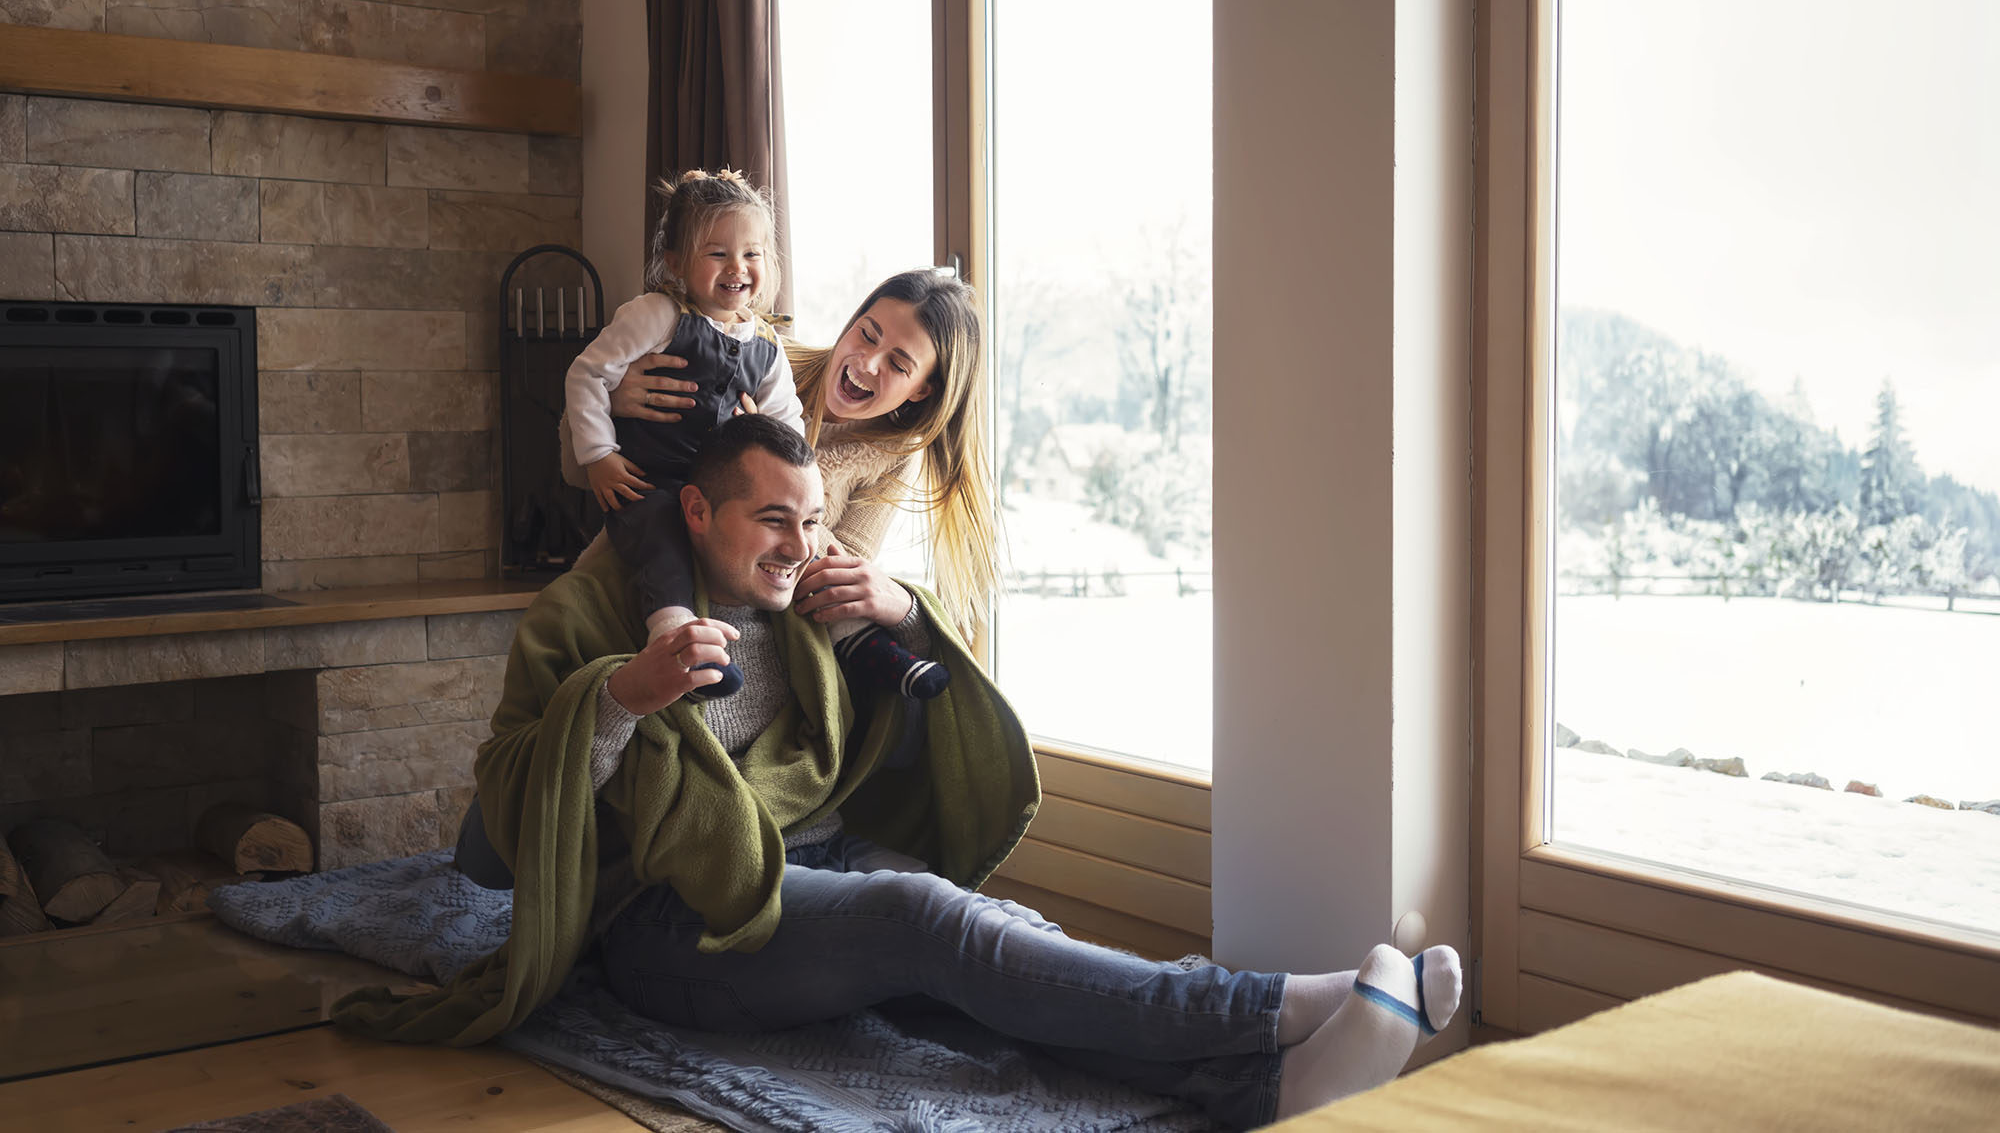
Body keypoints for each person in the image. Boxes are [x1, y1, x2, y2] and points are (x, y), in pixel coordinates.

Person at [360, 416, 1462, 1129]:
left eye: (810, 519)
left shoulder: (807, 612)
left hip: (813, 854)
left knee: (1011, 951)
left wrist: (900, 607)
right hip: (671, 921)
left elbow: (921, 720)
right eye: (769, 519)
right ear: (696, 512)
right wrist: (619, 695)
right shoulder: (585, 617)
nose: (796, 543)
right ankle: (1275, 1004)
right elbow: (503, 811)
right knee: (927, 921)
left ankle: (1273, 1085)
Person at [565, 173, 944, 702]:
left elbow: (826, 560)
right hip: (653, 506)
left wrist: (894, 606)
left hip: (756, 601)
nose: (866, 363)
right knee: (638, 558)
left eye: (899, 363)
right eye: (867, 333)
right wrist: (614, 411)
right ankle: (675, 644)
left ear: (924, 389)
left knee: (811, 542)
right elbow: (583, 405)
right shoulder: (729, 339)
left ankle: (862, 649)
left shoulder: (772, 359)